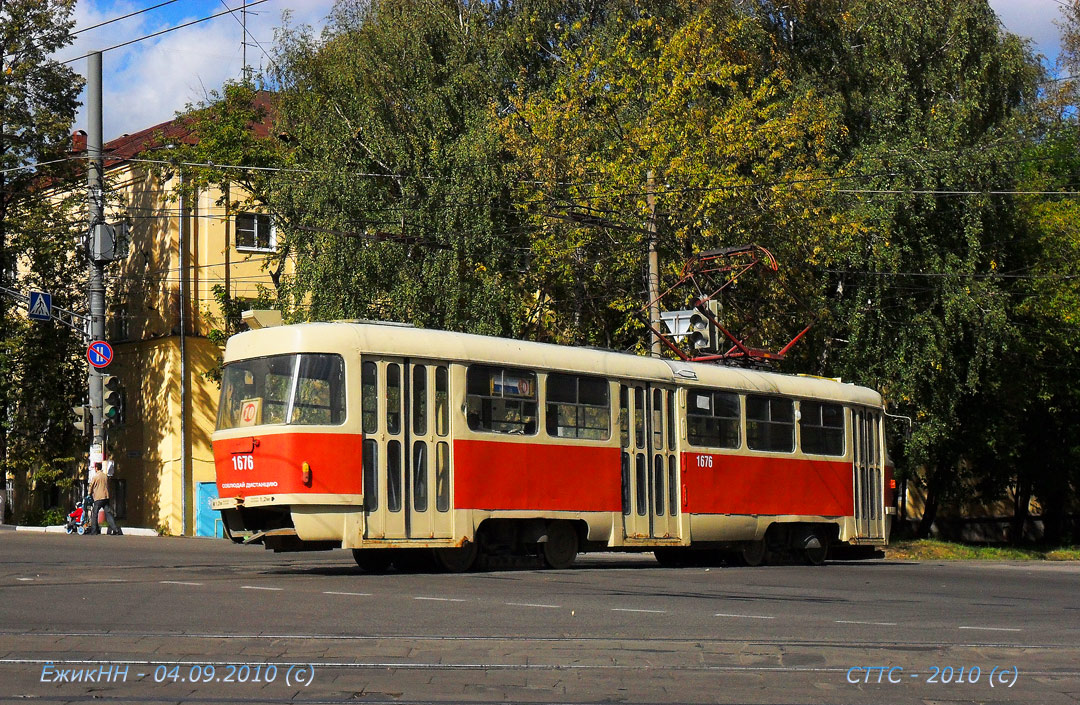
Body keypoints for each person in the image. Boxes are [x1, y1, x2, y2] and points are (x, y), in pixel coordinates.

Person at [88, 463, 121, 535]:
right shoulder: (105, 476)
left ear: (96, 468)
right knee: (108, 513)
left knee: (95, 513)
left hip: (98, 498)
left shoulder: (95, 477)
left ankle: (94, 530)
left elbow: (91, 486)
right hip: (106, 497)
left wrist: (89, 493)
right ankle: (115, 529)